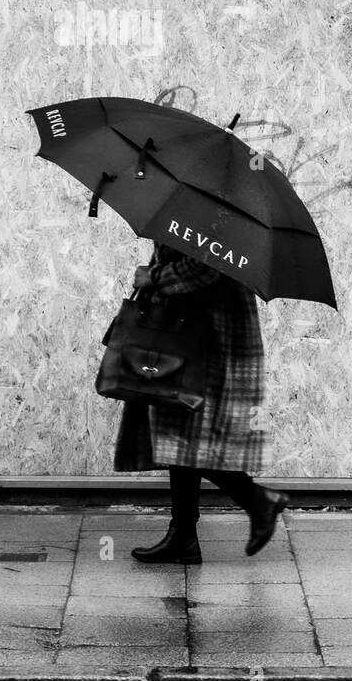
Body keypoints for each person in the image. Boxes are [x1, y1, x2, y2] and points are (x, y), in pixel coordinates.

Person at [113, 239, 288, 564]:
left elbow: (206, 268)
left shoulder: (218, 210)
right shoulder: (199, 206)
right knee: (178, 431)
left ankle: (257, 501)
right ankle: (184, 536)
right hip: (186, 328)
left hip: (208, 335)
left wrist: (154, 277)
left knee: (188, 436)